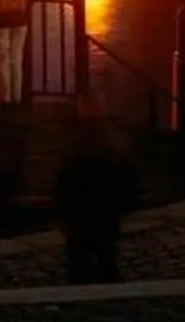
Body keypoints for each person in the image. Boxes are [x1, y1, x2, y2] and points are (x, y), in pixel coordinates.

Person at [54, 97, 131, 281]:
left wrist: (62, 207)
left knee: (79, 255)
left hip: (80, 207)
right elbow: (124, 173)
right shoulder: (113, 138)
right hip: (105, 206)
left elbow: (64, 178)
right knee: (105, 252)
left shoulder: (74, 140)